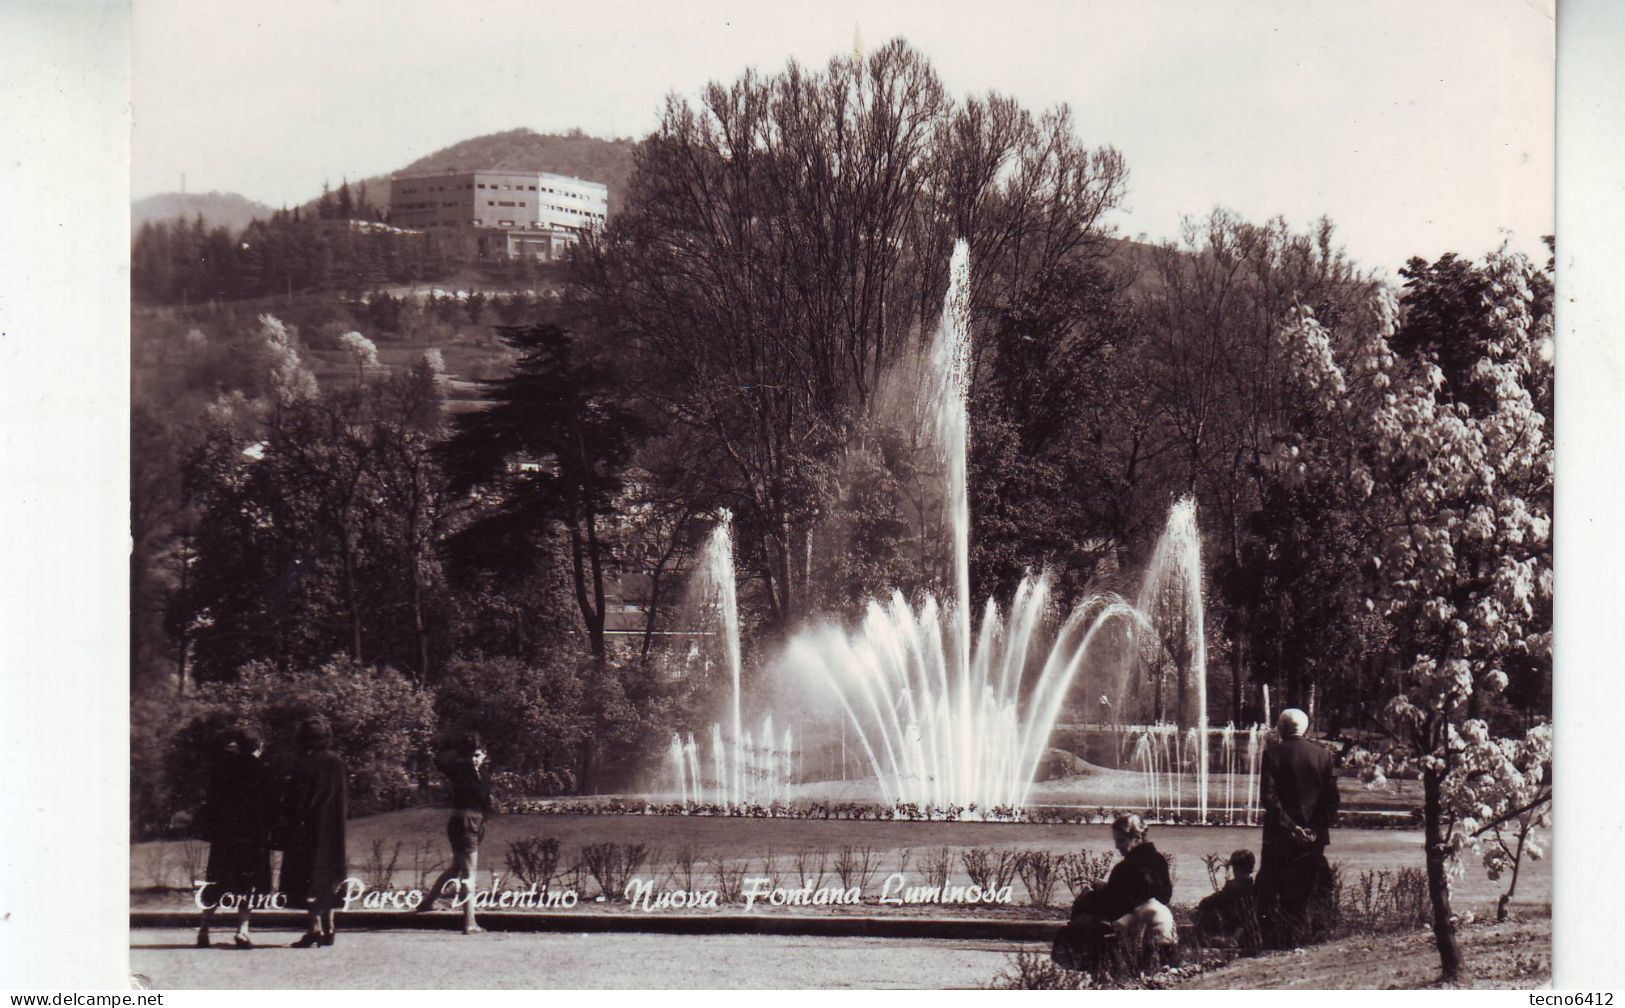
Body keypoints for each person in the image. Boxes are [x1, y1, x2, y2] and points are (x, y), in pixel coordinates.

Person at [1256, 707, 1340, 945]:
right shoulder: (1323, 756)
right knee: (1309, 887)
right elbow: (1331, 800)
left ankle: (1278, 939)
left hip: (1280, 836)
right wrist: (1314, 828)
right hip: (1313, 838)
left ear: (1281, 728)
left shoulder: (1273, 753)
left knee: (1276, 886)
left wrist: (1292, 827)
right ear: (1306, 728)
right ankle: (1311, 935)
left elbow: (1269, 798)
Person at [1053, 813, 1176, 972]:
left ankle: (1084, 968)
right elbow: (1160, 894)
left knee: (1082, 913)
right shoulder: (1158, 860)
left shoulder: (1127, 866)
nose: (1117, 846)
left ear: (1136, 839)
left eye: (1121, 840)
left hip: (1124, 921)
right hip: (1150, 915)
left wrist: (1098, 892)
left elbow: (1117, 901)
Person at [196, 726, 273, 949]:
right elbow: (271, 805)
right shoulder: (264, 769)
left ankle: (204, 928)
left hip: (225, 834)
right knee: (248, 883)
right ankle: (242, 930)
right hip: (253, 834)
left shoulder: (221, 767)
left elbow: (211, 801)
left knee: (217, 880)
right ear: (258, 746)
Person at [278, 716, 349, 948]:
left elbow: (295, 802)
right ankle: (330, 925)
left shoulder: (303, 765)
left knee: (310, 877)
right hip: (334, 829)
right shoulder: (337, 763)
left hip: (308, 829)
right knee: (329, 876)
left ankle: (314, 928)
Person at [417, 731, 493, 934]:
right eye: (470, 755)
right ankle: (469, 922)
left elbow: (485, 800)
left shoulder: (483, 774)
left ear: (484, 755)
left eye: (478, 755)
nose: (474, 759)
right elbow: (440, 760)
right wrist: (460, 750)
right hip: (463, 822)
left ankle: (427, 903)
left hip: (477, 822)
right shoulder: (460, 770)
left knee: (456, 868)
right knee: (469, 873)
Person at [1193, 849, 1258, 948]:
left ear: (1235, 868)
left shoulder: (1233, 888)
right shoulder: (1253, 887)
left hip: (1240, 935)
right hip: (1253, 935)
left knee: (1203, 914)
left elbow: (1209, 901)